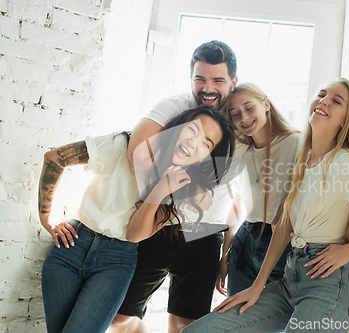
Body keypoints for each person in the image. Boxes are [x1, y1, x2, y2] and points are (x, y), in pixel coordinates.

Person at [181, 78, 349, 333]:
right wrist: (257, 286)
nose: (324, 101)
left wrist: (348, 252)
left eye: (336, 101)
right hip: (291, 277)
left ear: (345, 120)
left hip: (327, 282)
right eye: (322, 94)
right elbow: (285, 225)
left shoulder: (345, 163)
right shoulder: (305, 159)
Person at [39, 105, 235, 333]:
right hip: (71, 246)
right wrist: (47, 217)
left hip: (117, 260)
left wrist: (159, 191)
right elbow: (54, 158)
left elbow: (134, 234)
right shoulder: (124, 145)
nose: (194, 142)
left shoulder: (184, 189)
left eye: (206, 144)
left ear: (207, 156)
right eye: (193, 130)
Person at [108, 40, 244, 333]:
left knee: (185, 326)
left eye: (218, 80)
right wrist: (185, 190)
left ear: (233, 82)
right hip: (161, 222)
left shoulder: (244, 116)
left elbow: (241, 192)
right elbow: (137, 152)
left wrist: (226, 248)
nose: (207, 88)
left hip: (206, 234)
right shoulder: (176, 106)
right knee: (120, 317)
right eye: (200, 79)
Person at [215, 82, 301, 297]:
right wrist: (224, 257)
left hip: (282, 242)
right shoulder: (243, 152)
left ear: (266, 104)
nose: (243, 118)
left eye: (249, 108)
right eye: (235, 114)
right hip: (245, 239)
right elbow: (237, 204)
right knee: (235, 318)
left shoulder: (297, 143)